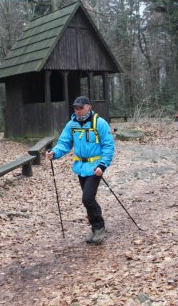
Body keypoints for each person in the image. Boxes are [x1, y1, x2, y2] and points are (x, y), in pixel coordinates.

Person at [46, 96, 115, 244]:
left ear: (88, 107)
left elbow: (109, 146)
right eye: (75, 108)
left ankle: (99, 227)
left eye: (80, 107)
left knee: (87, 198)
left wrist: (102, 165)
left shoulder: (100, 123)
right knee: (88, 200)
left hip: (95, 167)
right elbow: (64, 143)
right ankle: (95, 228)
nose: (77, 110)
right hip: (80, 167)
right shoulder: (72, 125)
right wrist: (54, 152)